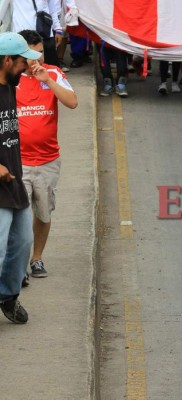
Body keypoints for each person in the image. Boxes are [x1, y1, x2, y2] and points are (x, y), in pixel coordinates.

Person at [16, 29, 78, 283]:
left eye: (41, 53)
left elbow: (72, 102)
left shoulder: (53, 73)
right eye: (33, 55)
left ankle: (36, 258)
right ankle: (17, 267)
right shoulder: (10, 77)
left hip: (48, 161)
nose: (37, 59)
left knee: (43, 213)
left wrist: (48, 81)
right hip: (17, 162)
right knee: (17, 217)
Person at [0, 32, 41, 323]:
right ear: (6, 60)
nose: (26, 67)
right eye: (22, 62)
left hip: (14, 181)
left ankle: (8, 296)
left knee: (23, 242)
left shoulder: (11, 86)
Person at [11, 0, 63, 66]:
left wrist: (57, 28)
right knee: (24, 69)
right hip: (22, 34)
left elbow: (52, 9)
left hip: (45, 33)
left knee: (49, 67)